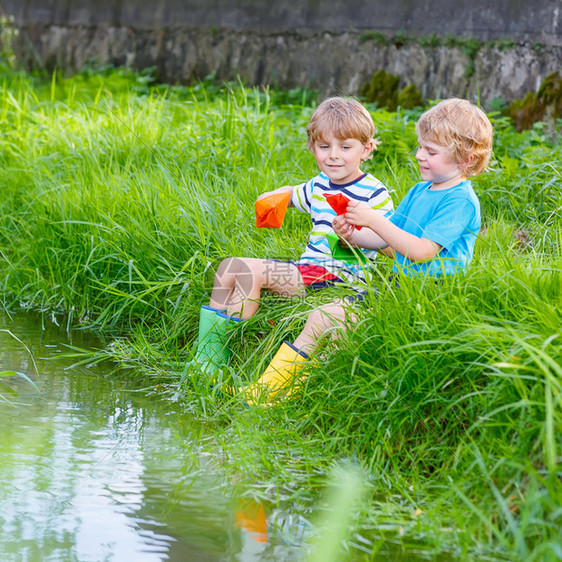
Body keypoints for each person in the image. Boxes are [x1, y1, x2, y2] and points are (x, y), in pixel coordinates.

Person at [248, 97, 494, 403]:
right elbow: (388, 242)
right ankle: (279, 391)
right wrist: (354, 236)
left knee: (332, 319)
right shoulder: (421, 190)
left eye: (430, 151)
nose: (419, 155)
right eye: (420, 146)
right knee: (324, 318)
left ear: (466, 159)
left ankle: (280, 392)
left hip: (434, 293)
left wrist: (375, 219)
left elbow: (422, 252)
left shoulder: (460, 200)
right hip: (400, 286)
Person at [192, 97, 394, 375]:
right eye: (324, 147)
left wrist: (355, 236)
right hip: (308, 271)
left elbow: (388, 239)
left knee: (250, 271)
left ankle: (231, 353)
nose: (334, 155)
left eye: (345, 147)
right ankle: (207, 358)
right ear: (313, 148)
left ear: (366, 149)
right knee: (229, 266)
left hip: (340, 278)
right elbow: (292, 194)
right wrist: (273, 199)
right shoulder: (319, 184)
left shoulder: (374, 193)